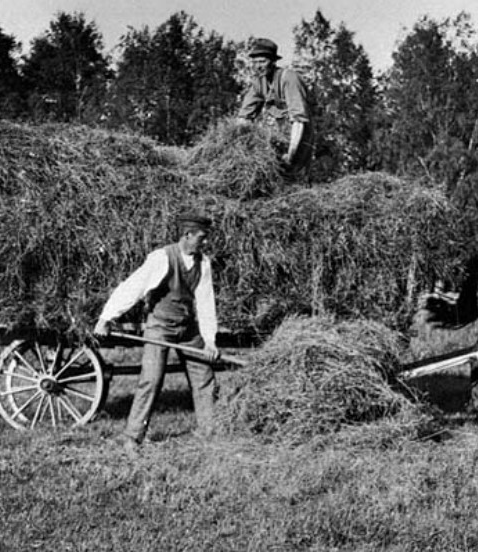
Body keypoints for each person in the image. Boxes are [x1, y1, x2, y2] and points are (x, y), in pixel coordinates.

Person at [93, 214, 221, 454]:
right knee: (151, 379)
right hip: (160, 326)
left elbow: (205, 302)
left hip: (188, 328)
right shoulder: (162, 258)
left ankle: (209, 434)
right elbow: (134, 287)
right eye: (201, 238)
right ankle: (132, 437)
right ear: (187, 235)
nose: (204, 243)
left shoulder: (203, 263)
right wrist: (106, 317)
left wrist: (210, 340)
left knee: (204, 377)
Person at [236, 37, 314, 180]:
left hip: (299, 131)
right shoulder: (259, 82)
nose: (258, 66)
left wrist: (291, 153)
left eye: (262, 62)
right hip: (279, 129)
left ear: (272, 62)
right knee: (276, 173)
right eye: (254, 62)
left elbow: (298, 119)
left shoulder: (289, 78)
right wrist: (240, 148)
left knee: (294, 172)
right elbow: (244, 117)